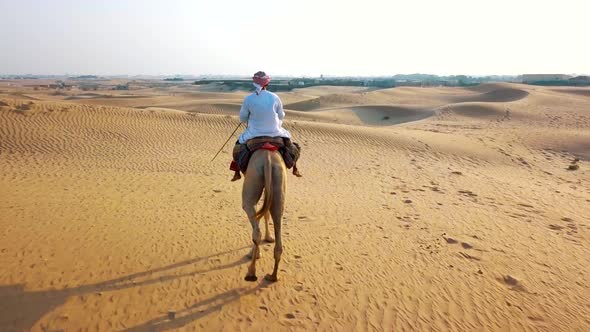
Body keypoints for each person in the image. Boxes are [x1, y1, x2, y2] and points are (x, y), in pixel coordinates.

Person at [230, 71, 302, 181]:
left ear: (254, 83)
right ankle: (295, 168)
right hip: (275, 133)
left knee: (237, 148)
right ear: (267, 84)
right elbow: (281, 115)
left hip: (253, 134)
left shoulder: (249, 99)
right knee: (293, 147)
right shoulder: (275, 97)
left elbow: (243, 118)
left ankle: (237, 173)